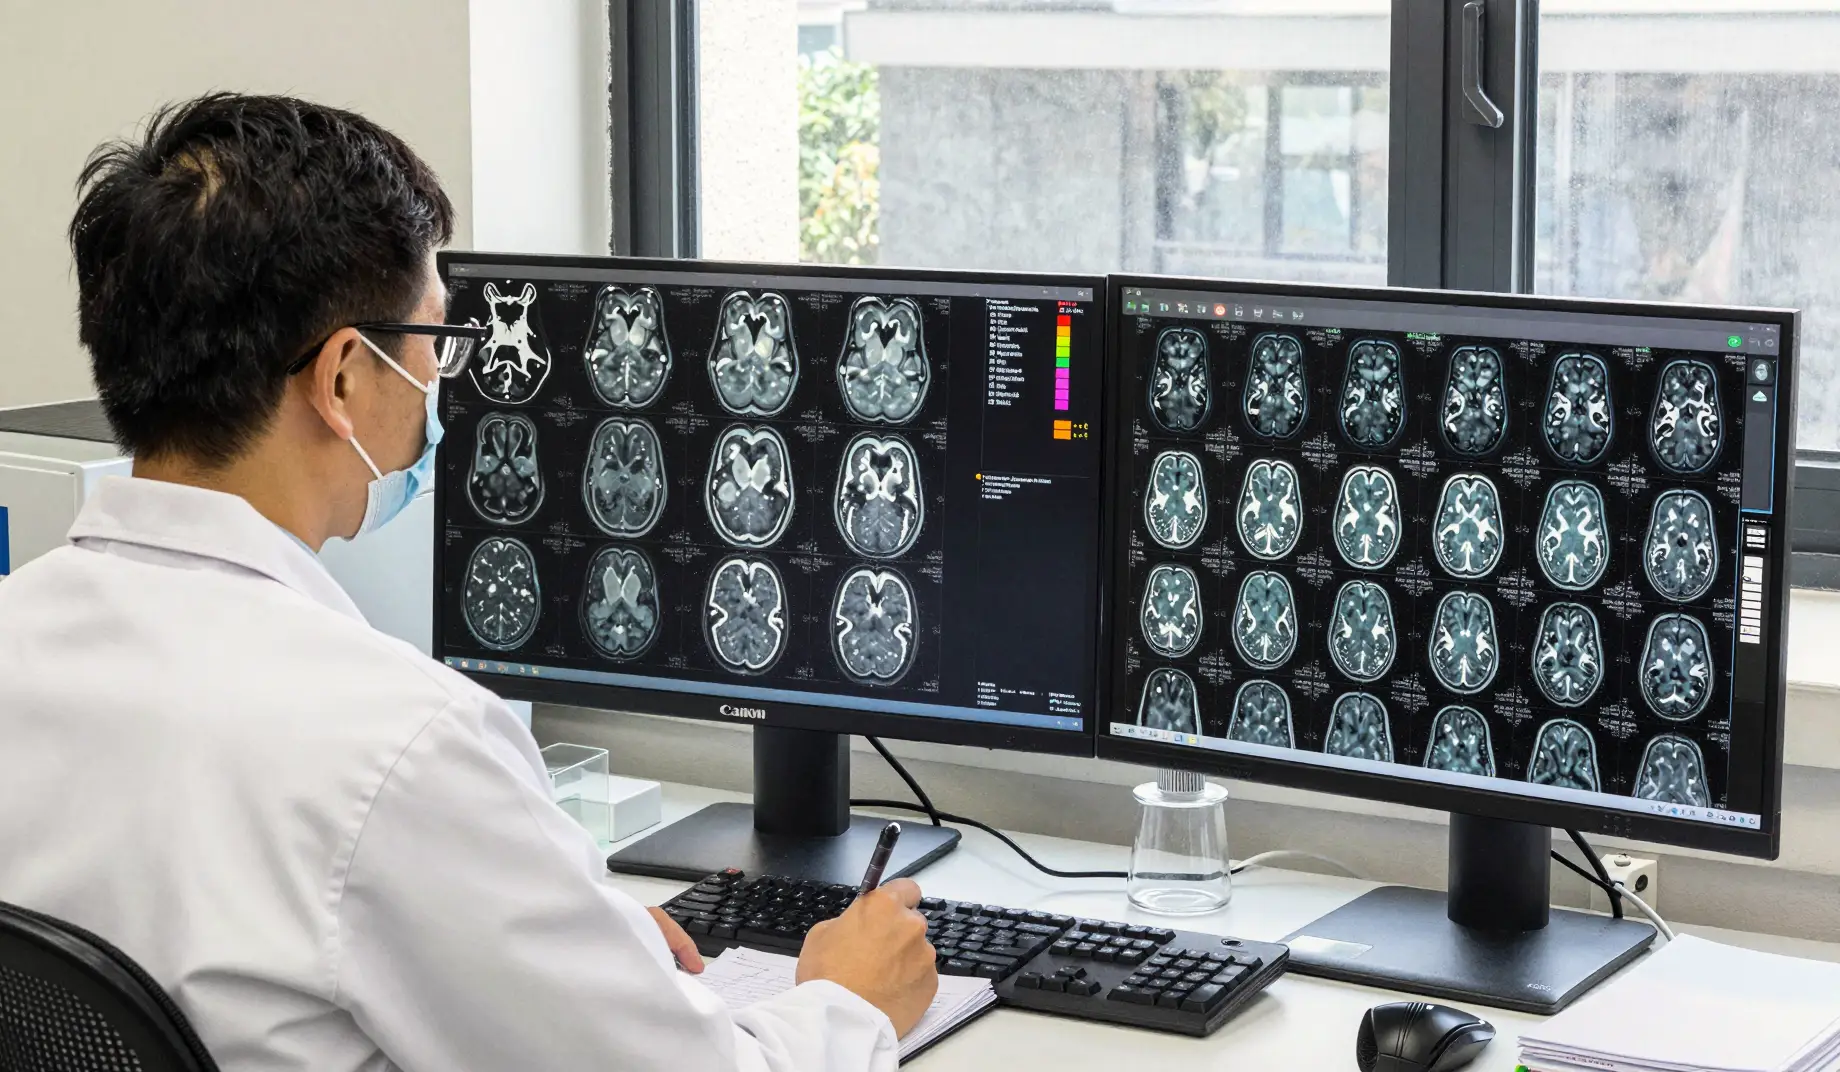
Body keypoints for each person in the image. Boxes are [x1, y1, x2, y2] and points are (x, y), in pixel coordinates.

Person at [0, 93, 937, 1072]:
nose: (438, 382)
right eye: (435, 343)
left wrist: (574, 943)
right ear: (344, 378)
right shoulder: (400, 747)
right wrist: (847, 1003)